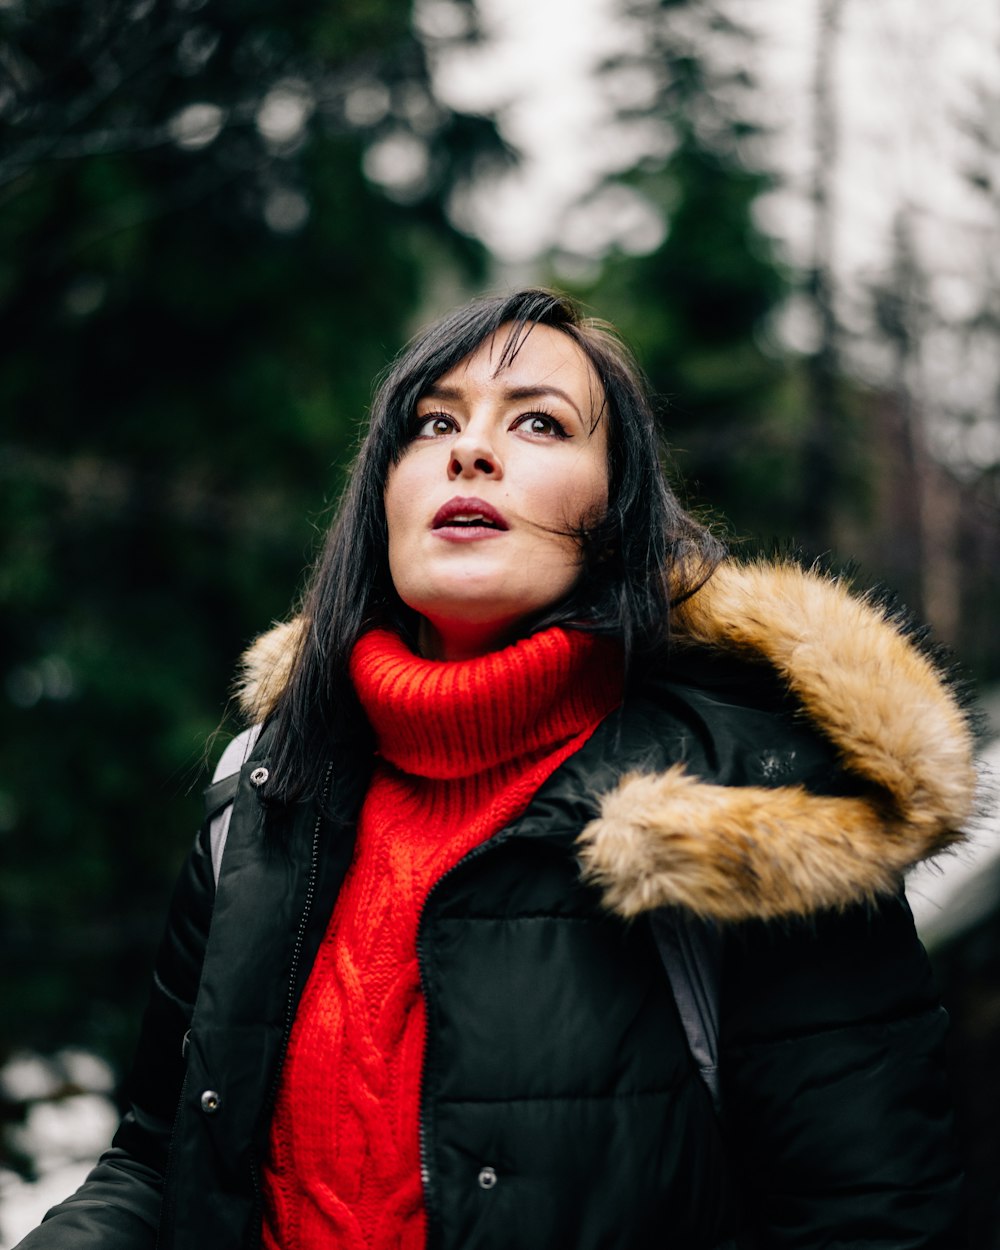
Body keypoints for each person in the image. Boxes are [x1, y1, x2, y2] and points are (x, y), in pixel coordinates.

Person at [16, 288, 974, 1249]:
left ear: (617, 512)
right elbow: (157, 1159)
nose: (469, 452)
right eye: (434, 422)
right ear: (381, 496)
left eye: (540, 423)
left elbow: (874, 1224)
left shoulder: (750, 809)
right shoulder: (263, 793)